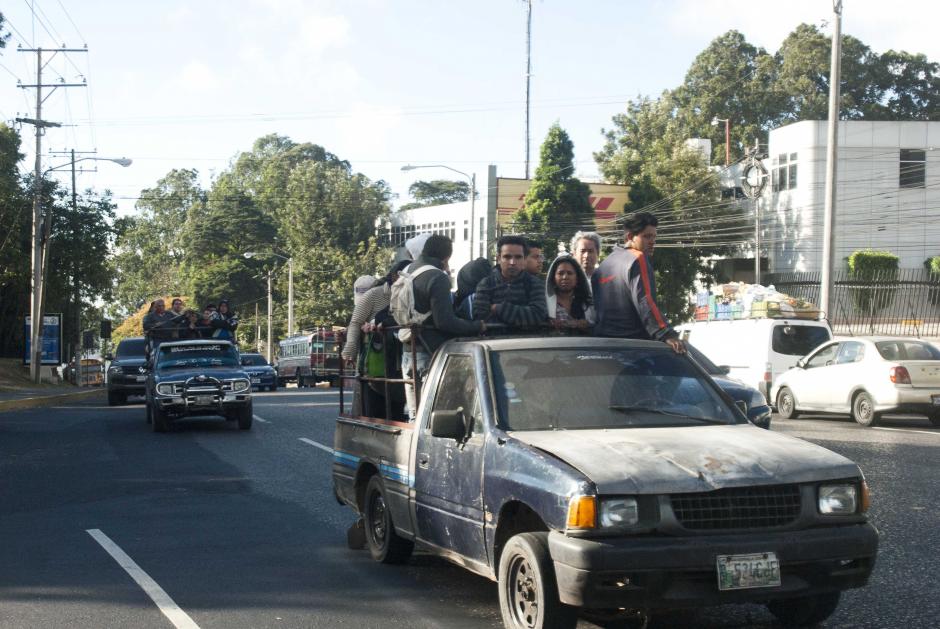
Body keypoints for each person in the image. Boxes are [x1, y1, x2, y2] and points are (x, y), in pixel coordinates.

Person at [401, 234, 485, 418]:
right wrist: (476, 326)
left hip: (408, 350)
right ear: (446, 257)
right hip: (429, 352)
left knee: (415, 415)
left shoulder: (410, 270)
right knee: (435, 415)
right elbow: (444, 321)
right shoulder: (436, 277)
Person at [593, 212, 685, 353]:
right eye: (647, 236)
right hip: (634, 347)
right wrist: (665, 333)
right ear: (630, 237)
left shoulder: (603, 266)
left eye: (654, 236)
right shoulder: (637, 258)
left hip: (604, 347)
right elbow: (645, 301)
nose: (652, 241)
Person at [342, 259, 411, 363]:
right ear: (394, 276)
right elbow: (356, 322)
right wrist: (350, 352)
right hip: (377, 355)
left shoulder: (411, 296)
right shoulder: (373, 294)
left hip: (404, 352)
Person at [472, 235, 547, 329]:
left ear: (524, 259)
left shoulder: (535, 284)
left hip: (528, 341)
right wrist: (522, 314)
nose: (512, 262)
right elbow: (480, 319)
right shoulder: (486, 284)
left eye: (518, 257)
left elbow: (538, 315)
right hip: (494, 341)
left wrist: (498, 308)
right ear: (499, 259)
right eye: (507, 257)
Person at [545, 254, 594, 332]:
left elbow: (597, 323)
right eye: (560, 273)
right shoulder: (545, 303)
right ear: (553, 278)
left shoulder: (587, 303)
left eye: (570, 273)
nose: (565, 277)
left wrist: (586, 324)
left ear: (577, 278)